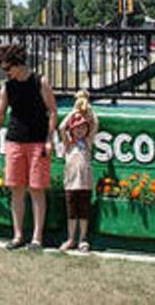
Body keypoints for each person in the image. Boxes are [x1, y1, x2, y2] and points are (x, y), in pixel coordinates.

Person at [0, 43, 58, 250]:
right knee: (16, 189)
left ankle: (36, 238)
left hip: (37, 142)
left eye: (8, 69)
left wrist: (49, 139)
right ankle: (17, 236)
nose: (6, 73)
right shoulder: (7, 87)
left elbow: (52, 111)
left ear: (18, 64)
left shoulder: (39, 82)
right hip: (14, 140)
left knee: (36, 189)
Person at [58, 90, 99, 252]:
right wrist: (74, 112)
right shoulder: (69, 145)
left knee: (83, 213)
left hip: (85, 184)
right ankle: (70, 238)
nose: (80, 130)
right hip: (70, 184)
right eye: (76, 128)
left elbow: (95, 123)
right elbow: (61, 127)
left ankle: (83, 238)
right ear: (72, 130)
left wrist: (88, 109)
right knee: (71, 214)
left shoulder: (87, 143)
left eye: (83, 127)